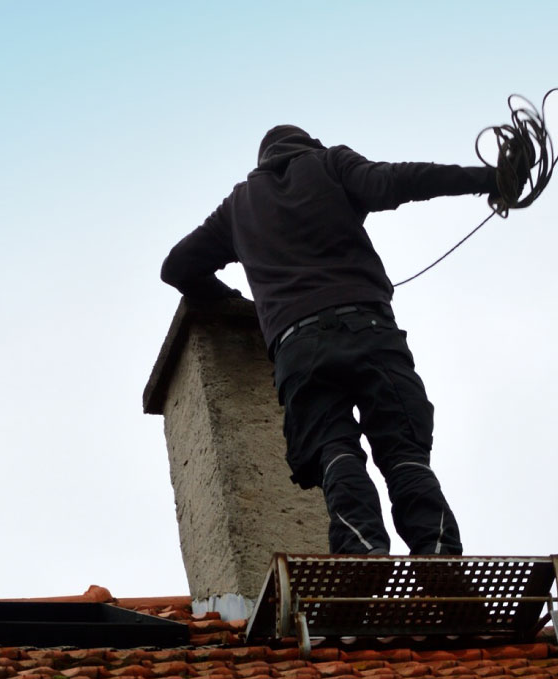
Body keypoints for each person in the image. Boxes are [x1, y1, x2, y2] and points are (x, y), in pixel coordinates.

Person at [160, 125, 511, 556]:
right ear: (310, 144)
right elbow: (398, 180)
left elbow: (176, 267)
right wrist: (488, 179)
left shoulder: (238, 207)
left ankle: (362, 553)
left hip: (298, 349)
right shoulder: (330, 163)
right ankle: (439, 558)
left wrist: (237, 302)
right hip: (370, 332)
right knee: (403, 453)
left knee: (334, 452)